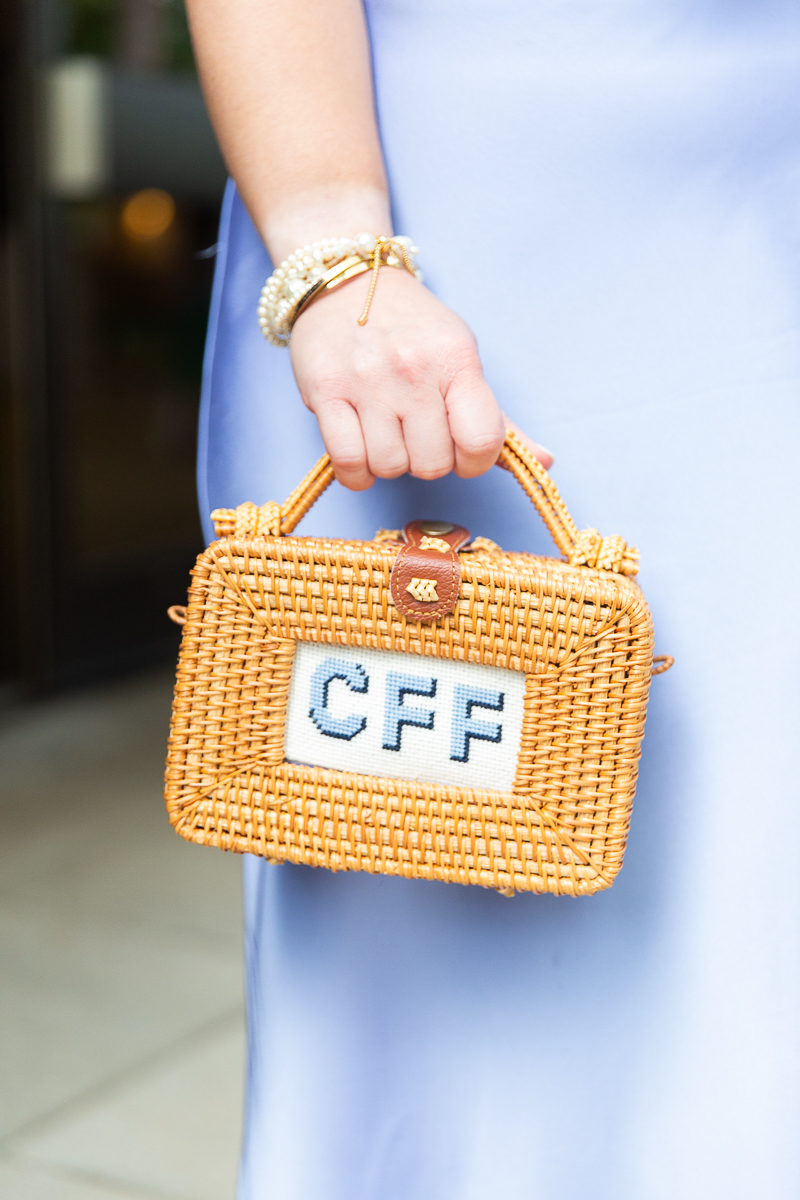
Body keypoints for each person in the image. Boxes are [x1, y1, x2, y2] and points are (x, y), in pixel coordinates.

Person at [186, 1, 800, 1196]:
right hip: (438, 226)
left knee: (753, 913)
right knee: (429, 955)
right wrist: (334, 255)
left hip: (760, 215)